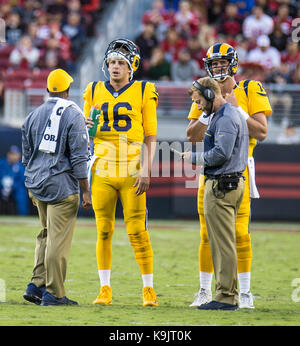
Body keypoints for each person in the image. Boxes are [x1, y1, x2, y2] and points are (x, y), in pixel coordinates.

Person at [186, 43, 272, 309]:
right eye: (215, 64)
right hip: (212, 170)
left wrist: (236, 110)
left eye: (224, 63)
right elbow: (191, 135)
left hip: (240, 167)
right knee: (206, 234)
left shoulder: (250, 89)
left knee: (241, 234)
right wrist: (210, 107)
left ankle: (244, 292)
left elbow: (261, 132)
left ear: (233, 64)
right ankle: (204, 289)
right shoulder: (203, 91)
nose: (220, 68)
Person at [83, 39, 158, 307]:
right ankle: (105, 288)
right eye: (112, 62)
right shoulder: (93, 90)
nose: (115, 67)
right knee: (103, 230)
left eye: (121, 63)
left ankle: (148, 289)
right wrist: (86, 126)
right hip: (102, 169)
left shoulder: (143, 90)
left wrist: (146, 170)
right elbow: (85, 135)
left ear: (131, 67)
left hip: (132, 168)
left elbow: (151, 135)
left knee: (137, 231)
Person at [22, 68, 92, 306]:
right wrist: (85, 190)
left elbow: (26, 156)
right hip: (61, 187)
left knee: (45, 234)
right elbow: (79, 158)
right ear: (68, 90)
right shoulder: (74, 114)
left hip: (36, 184)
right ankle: (54, 293)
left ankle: (36, 284)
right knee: (57, 240)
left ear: (47, 89)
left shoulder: (33, 114)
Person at [183, 77, 249, 310]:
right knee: (222, 242)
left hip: (222, 186)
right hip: (225, 183)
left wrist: (193, 158)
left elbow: (221, 153)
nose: (198, 106)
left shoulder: (226, 118)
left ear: (211, 95)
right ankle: (226, 293)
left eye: (199, 101)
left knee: (222, 244)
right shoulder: (227, 115)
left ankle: (226, 296)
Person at [0, 145, 29, 216]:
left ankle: (23, 217)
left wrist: (12, 186)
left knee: (21, 194)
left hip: (15, 188)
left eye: (15, 154)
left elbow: (23, 180)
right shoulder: (2, 163)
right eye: (12, 154)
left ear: (19, 155)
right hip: (2, 187)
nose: (14, 156)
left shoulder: (20, 166)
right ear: (8, 154)